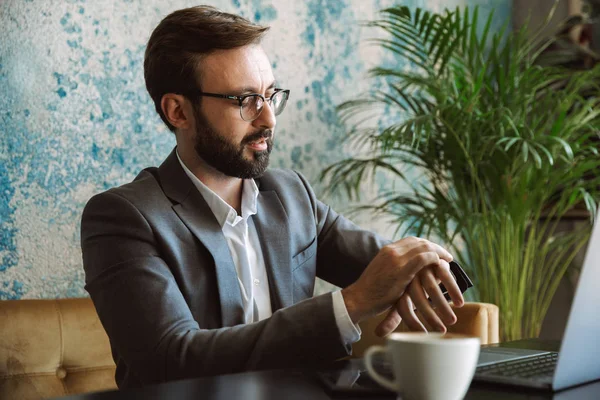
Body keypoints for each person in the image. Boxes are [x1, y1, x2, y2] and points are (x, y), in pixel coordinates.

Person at [81, 5, 464, 389]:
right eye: (245, 101)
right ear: (178, 111)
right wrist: (351, 304)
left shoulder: (290, 194)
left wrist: (427, 264)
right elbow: (171, 359)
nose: (269, 120)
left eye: (270, 95)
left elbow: (400, 271)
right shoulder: (124, 217)